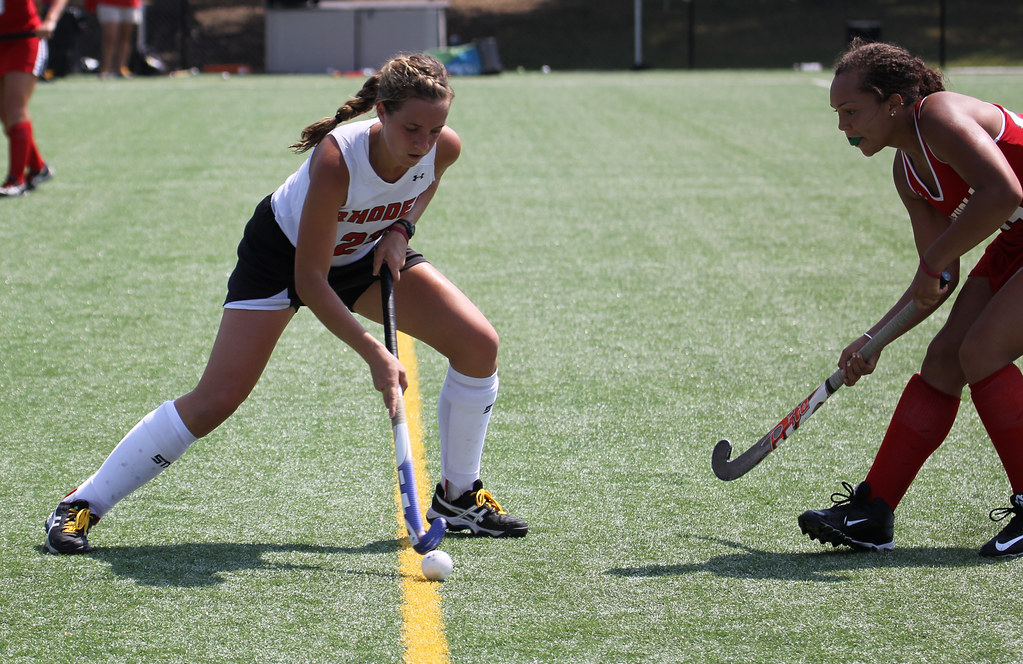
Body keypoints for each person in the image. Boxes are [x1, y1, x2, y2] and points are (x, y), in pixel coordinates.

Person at [44, 52, 528, 554]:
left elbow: (425, 183)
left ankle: (458, 496)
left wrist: (402, 229)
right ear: (380, 113)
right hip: (283, 258)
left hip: (364, 249)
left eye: (434, 130)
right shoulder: (337, 160)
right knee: (217, 398)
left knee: (478, 345)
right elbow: (311, 280)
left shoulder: (440, 148)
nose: (423, 144)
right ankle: (84, 502)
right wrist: (375, 354)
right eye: (411, 129)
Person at [798, 38, 1023, 558]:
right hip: (1017, 241)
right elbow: (938, 279)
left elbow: (1005, 193)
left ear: (893, 102)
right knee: (944, 361)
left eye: (851, 111)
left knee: (981, 351)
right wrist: (875, 339)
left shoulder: (939, 116)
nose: (842, 127)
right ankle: (872, 512)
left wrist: (932, 261)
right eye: (838, 114)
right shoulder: (907, 172)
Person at [0, 0, 66, 197]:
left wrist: (50, 21)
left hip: (25, 40)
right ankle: (38, 168)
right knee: (5, 115)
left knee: (15, 109)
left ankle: (16, 180)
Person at [94, 0, 140, 79]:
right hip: (108, 3)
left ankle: (121, 68)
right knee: (110, 36)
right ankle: (106, 69)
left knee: (125, 38)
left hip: (130, 3)